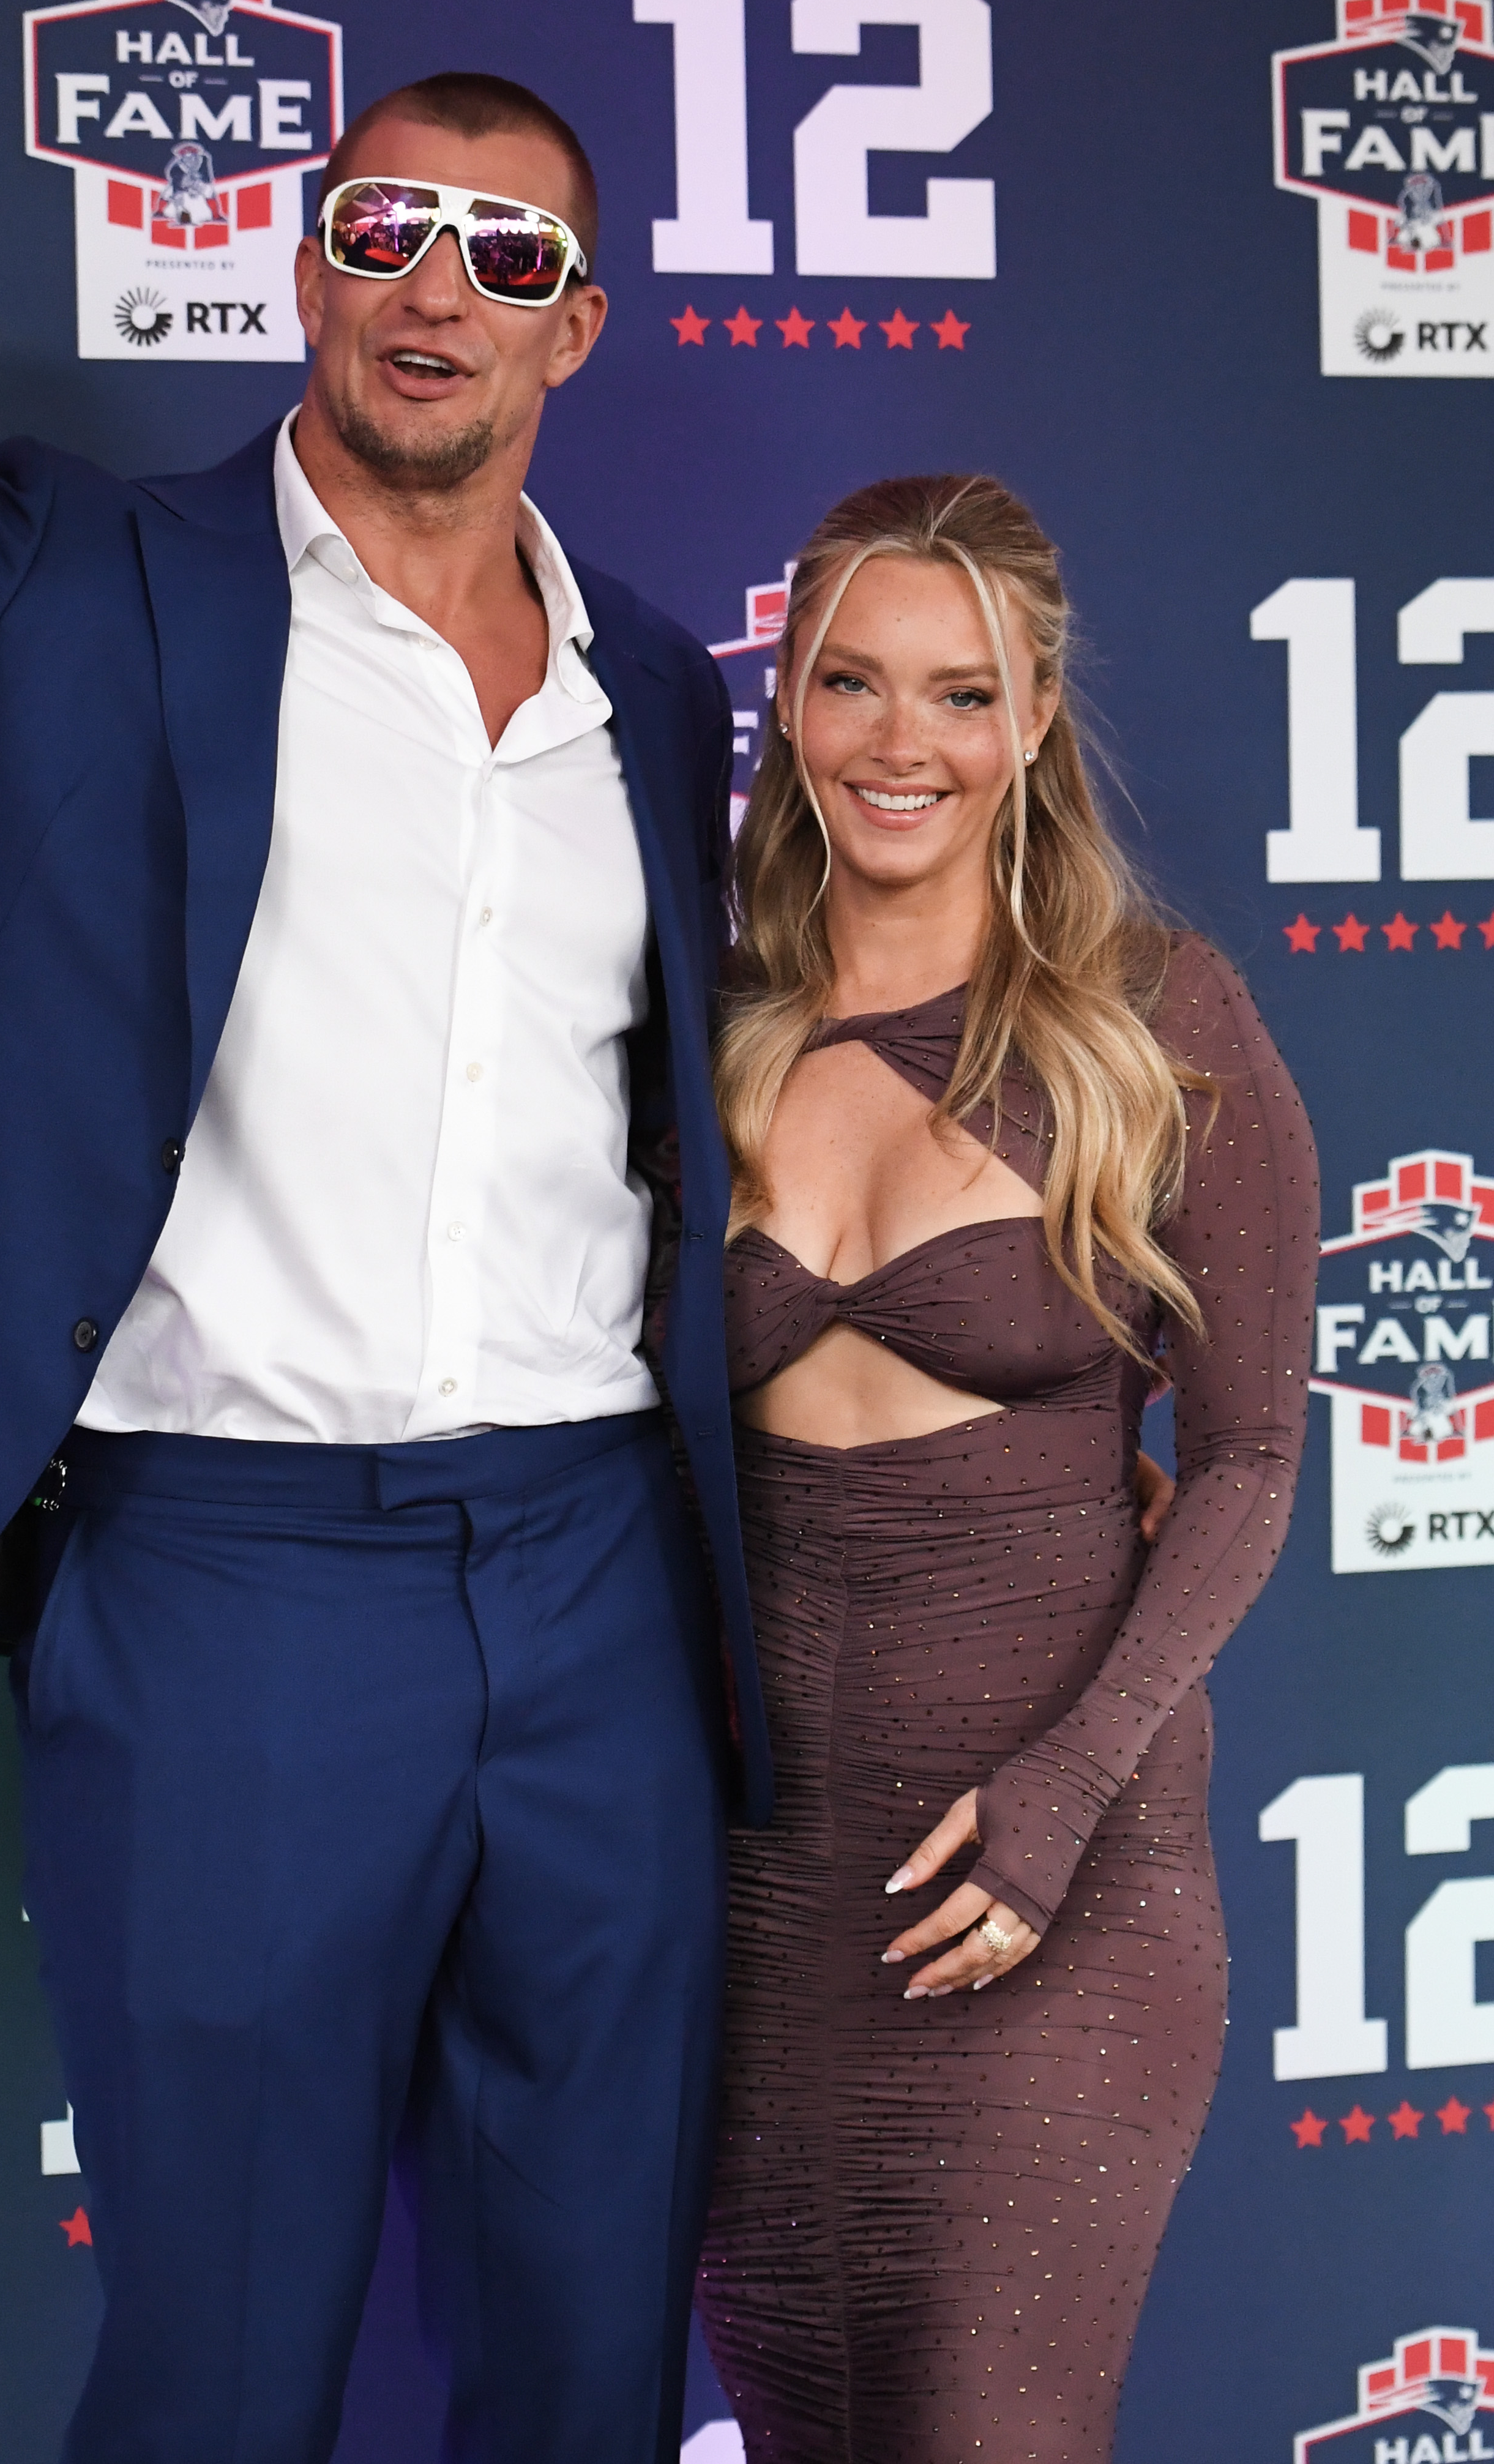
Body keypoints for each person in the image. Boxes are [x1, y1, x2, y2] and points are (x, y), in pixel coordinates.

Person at [0, 0, 771, 2464]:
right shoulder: (70, 577)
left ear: (581, 328)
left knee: (585, 2350)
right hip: (225, 1591)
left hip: (595, 1594)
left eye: (507, 251)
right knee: (226, 2363)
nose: (435, 284)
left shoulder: (656, 699)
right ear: (300, 260)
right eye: (382, 227)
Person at [690, 472, 1317, 2462]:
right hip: (755, 1903)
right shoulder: (699, 1030)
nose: (904, 743)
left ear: (1035, 719)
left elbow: (1245, 1457)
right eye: (854, 682)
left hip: (1051, 1882)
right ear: (787, 700)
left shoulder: (1157, 1019)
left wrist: (1057, 1798)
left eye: (962, 696)